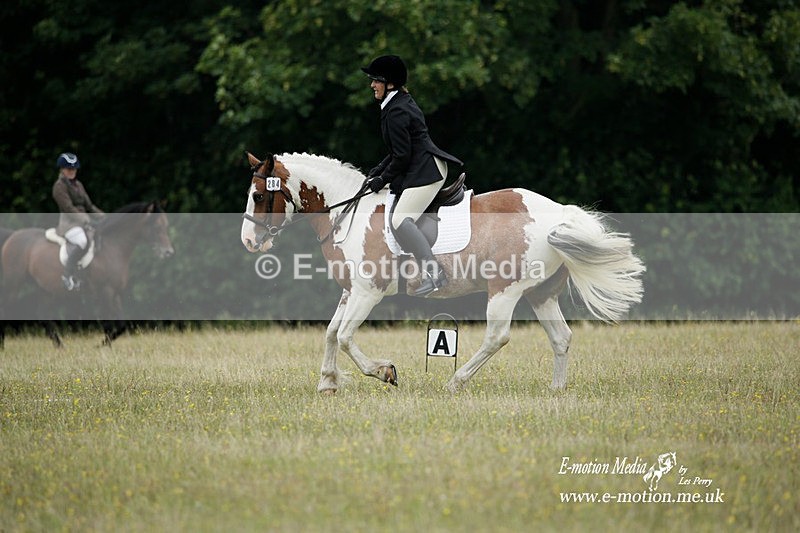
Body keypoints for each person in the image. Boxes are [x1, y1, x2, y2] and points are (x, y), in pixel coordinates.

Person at [361, 55, 463, 296]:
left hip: (427, 171)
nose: (372, 85)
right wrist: (378, 170)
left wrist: (382, 180)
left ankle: (435, 274)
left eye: (376, 80)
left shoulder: (397, 111)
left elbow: (402, 157)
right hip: (420, 165)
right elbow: (398, 151)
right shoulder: (396, 104)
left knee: (399, 220)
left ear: (390, 84)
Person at [52, 152, 105, 290]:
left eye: (74, 169)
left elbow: (89, 206)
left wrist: (104, 217)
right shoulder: (59, 187)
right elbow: (68, 208)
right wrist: (86, 220)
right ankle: (67, 275)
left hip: (83, 222)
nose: (72, 172)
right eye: (69, 169)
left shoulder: (78, 185)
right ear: (62, 169)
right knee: (82, 241)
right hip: (69, 224)